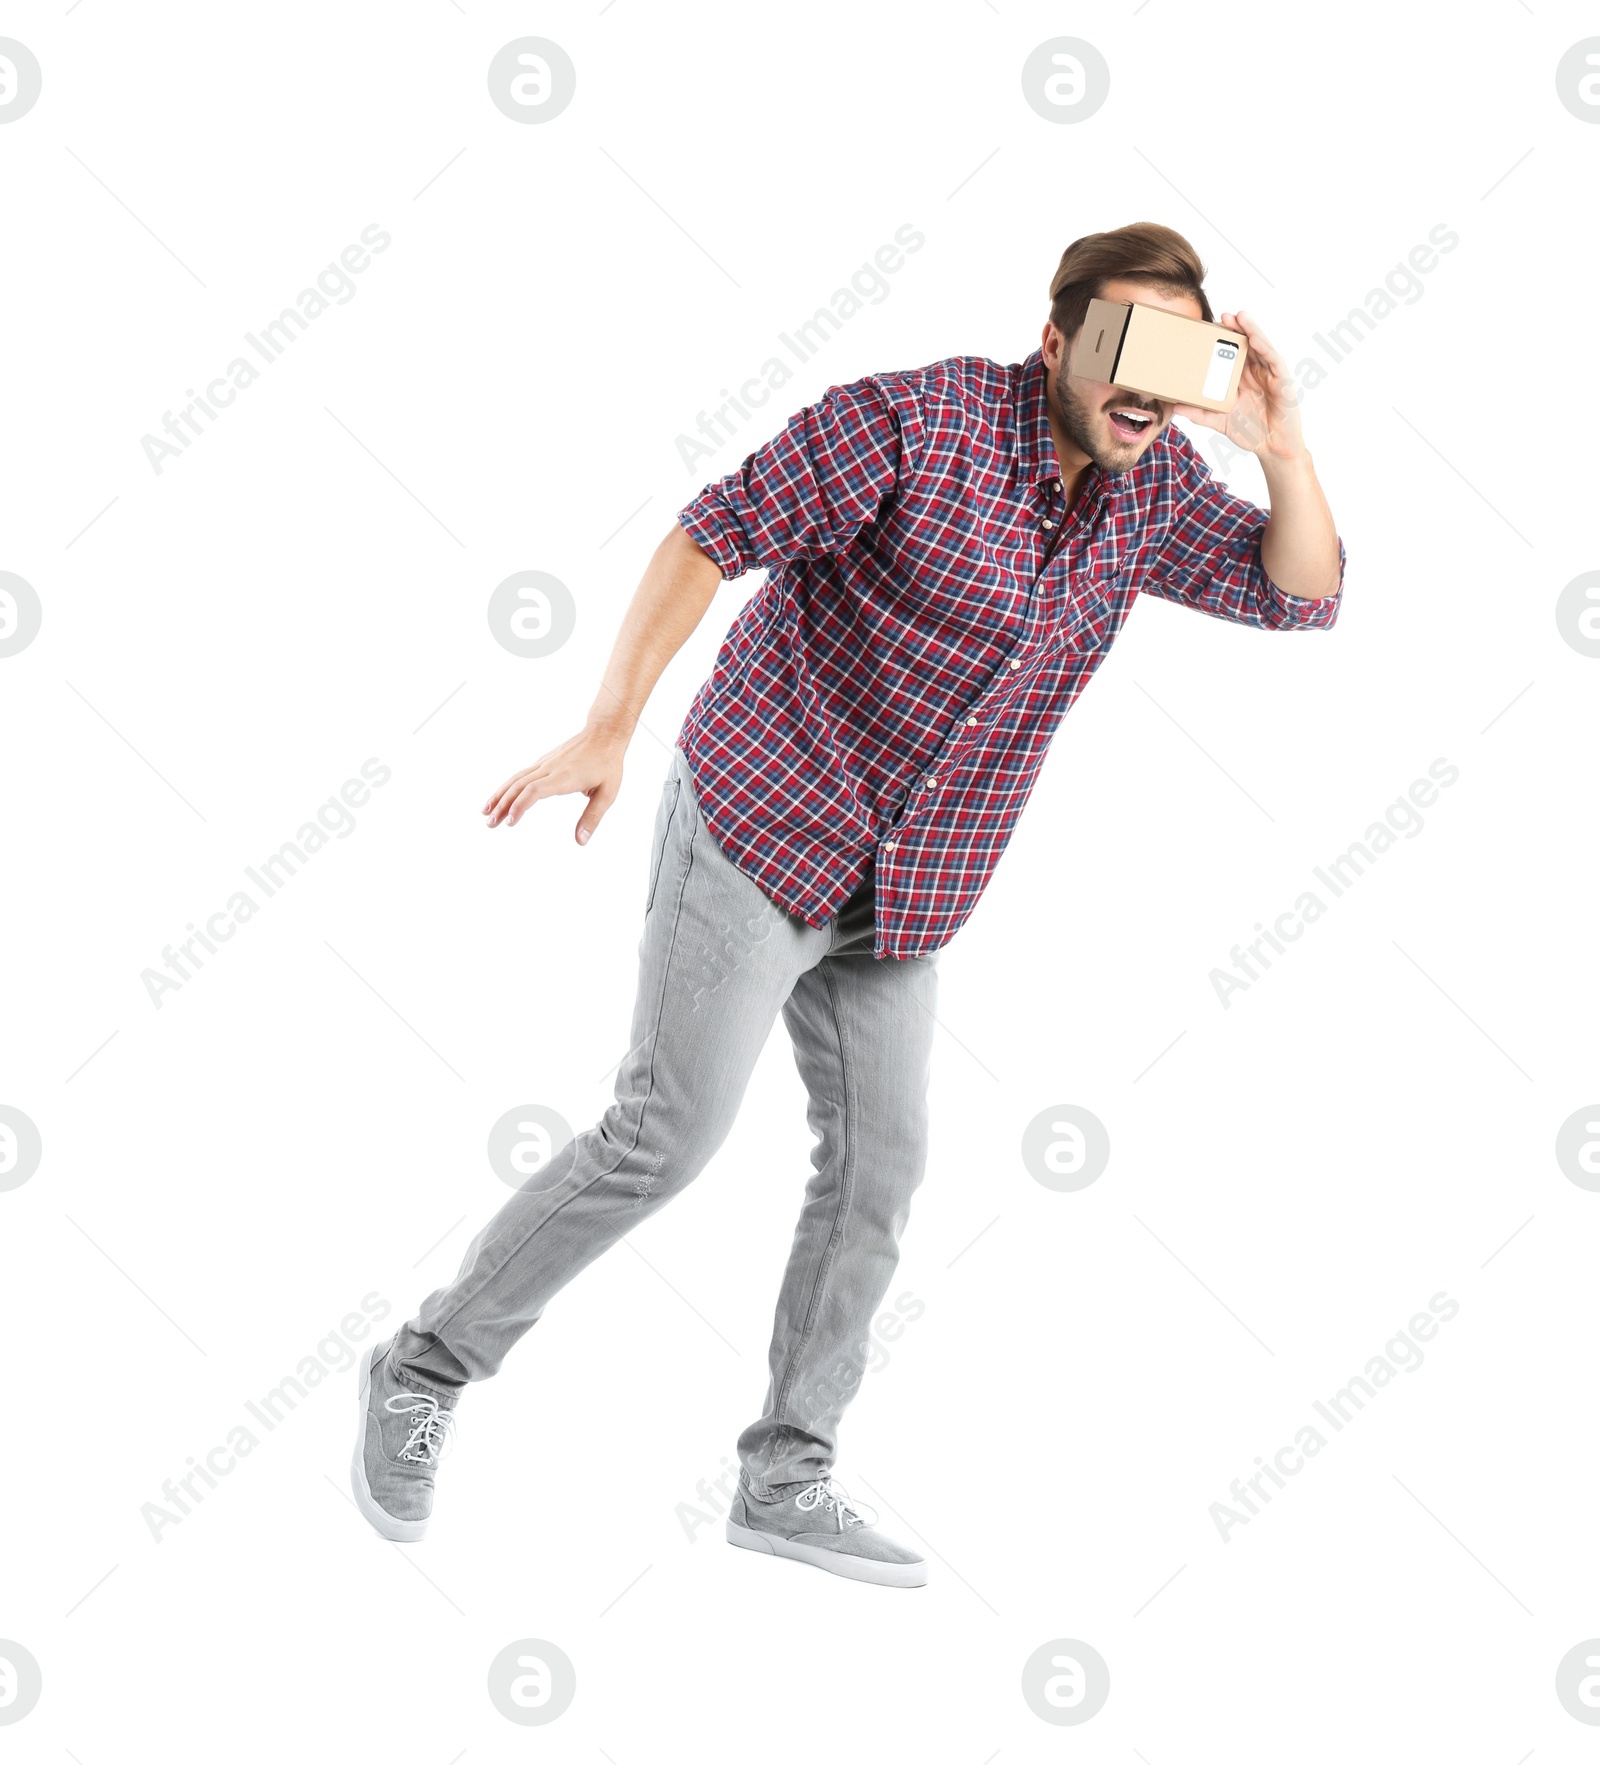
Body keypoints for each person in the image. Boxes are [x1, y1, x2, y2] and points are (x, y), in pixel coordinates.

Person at [351, 220, 1345, 1587]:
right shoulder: (908, 425)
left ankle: (787, 1470)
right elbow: (712, 531)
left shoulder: (1155, 487)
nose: (1149, 388)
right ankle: (425, 1362)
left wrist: (1280, 446)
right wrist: (611, 722)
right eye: (1124, 344)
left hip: (912, 890)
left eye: (1182, 357)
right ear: (1057, 341)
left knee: (881, 1171)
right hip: (764, 823)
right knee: (666, 1138)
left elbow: (1301, 599)